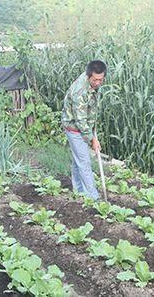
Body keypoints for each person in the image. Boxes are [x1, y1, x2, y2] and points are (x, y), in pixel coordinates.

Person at [61, 60, 106, 200]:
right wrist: (92, 139)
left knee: (78, 160)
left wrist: (93, 130)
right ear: (88, 76)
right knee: (85, 162)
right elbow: (80, 120)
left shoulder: (92, 83)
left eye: (101, 80)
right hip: (74, 128)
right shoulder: (80, 91)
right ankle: (93, 198)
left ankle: (79, 191)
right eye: (95, 80)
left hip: (85, 126)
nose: (98, 83)